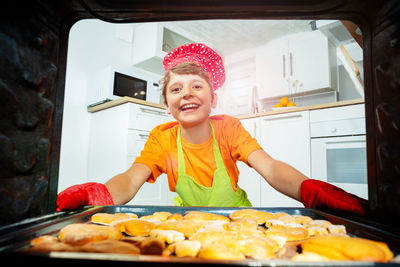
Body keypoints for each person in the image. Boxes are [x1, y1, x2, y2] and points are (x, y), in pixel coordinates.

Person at [57, 43, 367, 215]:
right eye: (175, 89)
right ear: (166, 105)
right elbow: (131, 178)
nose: (187, 93)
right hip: (186, 221)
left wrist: (308, 189)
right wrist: (103, 193)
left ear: (213, 98)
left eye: (196, 85)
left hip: (238, 218)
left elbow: (270, 168)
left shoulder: (228, 128)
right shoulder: (162, 138)